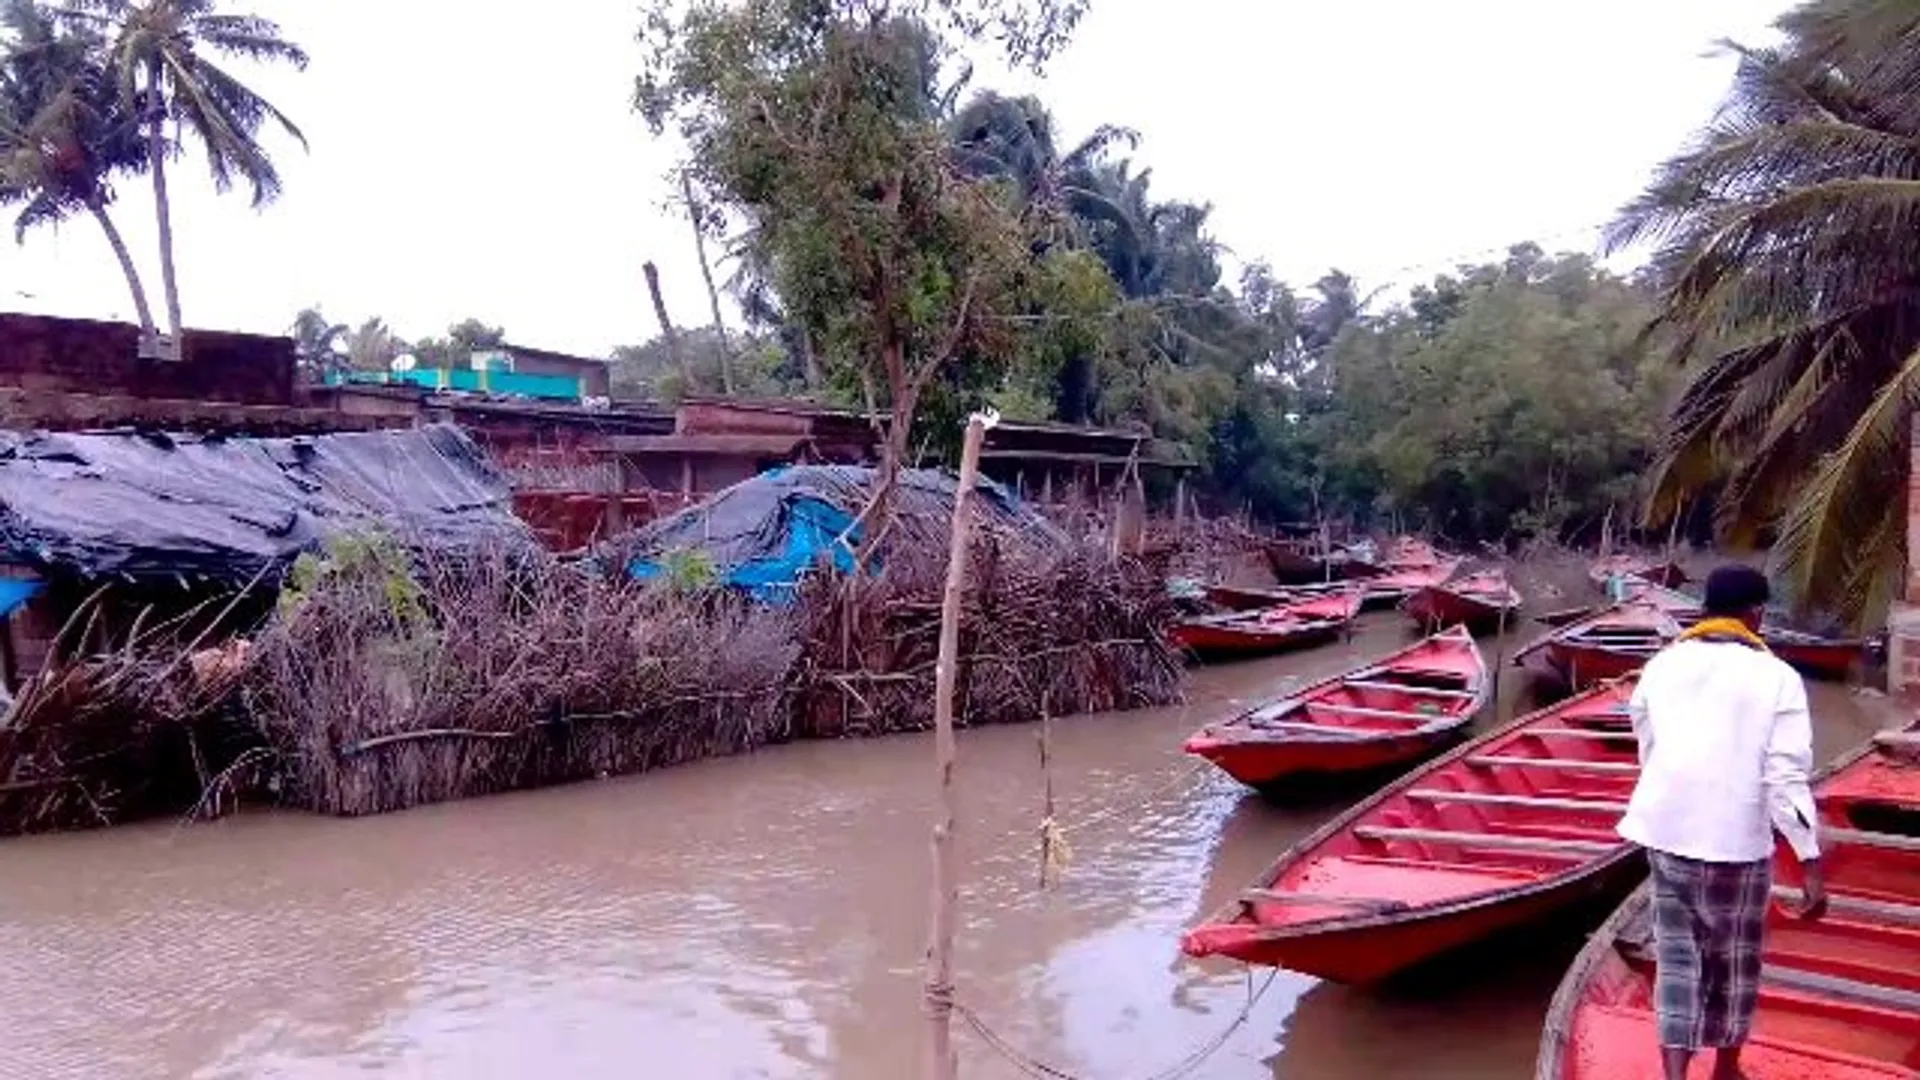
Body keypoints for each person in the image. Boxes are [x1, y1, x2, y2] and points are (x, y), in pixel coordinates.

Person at [1617, 564, 1828, 1080]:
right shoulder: (1778, 676)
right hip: (1736, 845)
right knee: (1734, 961)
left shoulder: (1661, 665)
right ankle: (1726, 1070)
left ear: (1706, 608)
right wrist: (1810, 860)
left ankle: (1674, 1076)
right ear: (1756, 613)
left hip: (1665, 834)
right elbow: (1784, 777)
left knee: (1678, 961)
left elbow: (1649, 744)